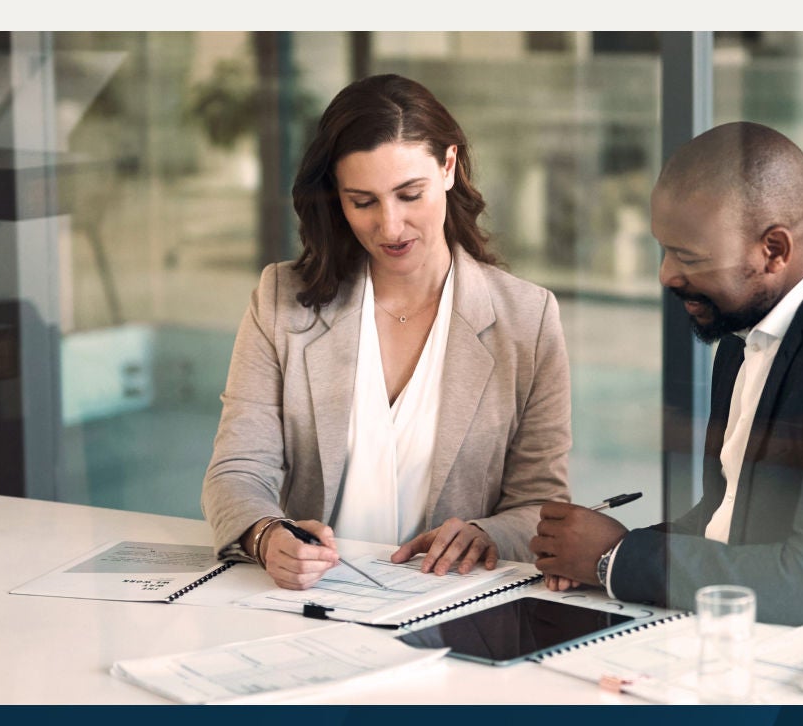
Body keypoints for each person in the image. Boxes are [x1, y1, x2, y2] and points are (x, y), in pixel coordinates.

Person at [531, 121, 803, 627]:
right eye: (665, 248)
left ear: (774, 250)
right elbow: (729, 514)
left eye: (689, 257)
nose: (667, 275)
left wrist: (616, 560)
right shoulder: (751, 324)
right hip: (774, 634)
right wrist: (605, 552)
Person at [202, 74, 571, 591]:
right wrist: (266, 535)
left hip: (453, 608)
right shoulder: (281, 300)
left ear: (448, 166)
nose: (390, 227)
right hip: (310, 603)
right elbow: (236, 471)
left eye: (409, 194)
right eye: (363, 201)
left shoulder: (527, 318)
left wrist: (487, 534)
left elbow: (541, 505)